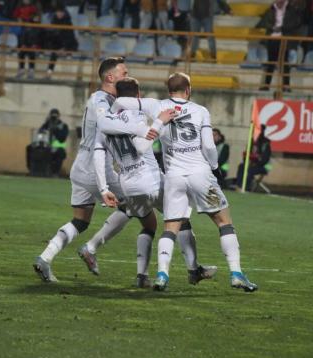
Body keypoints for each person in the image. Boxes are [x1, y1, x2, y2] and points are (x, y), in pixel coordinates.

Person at [117, 73, 258, 292]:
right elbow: (210, 147)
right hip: (200, 173)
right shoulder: (201, 111)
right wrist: (214, 167)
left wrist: (147, 112)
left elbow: (122, 102)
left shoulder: (158, 106)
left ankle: (162, 274)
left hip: (174, 177)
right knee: (224, 222)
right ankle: (236, 273)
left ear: (168, 89)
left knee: (170, 228)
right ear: (188, 89)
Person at [85, 77, 217, 288]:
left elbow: (99, 157)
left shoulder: (105, 122)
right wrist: (160, 121)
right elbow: (142, 146)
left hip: (128, 185)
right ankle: (192, 270)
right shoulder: (137, 116)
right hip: (151, 180)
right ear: (138, 95)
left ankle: (141, 276)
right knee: (181, 218)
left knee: (148, 224)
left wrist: (103, 188)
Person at [33, 57, 151, 283]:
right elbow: (109, 128)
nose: (127, 77)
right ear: (110, 77)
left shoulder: (110, 100)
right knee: (134, 205)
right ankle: (92, 248)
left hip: (81, 166)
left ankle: (45, 258)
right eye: (124, 73)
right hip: (96, 167)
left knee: (81, 220)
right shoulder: (101, 99)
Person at [256, 0, 304, 92]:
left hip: (285, 39)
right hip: (273, 39)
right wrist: (272, 27)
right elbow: (265, 22)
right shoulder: (271, 9)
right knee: (271, 63)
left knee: (285, 63)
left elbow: (295, 23)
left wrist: (281, 28)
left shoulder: (291, 9)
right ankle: (266, 85)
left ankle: (286, 86)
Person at [45, 5, 78, 78]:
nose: (59, 14)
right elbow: (51, 37)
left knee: (66, 51)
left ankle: (68, 54)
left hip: (68, 45)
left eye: (61, 12)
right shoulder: (53, 22)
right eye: (58, 12)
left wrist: (64, 48)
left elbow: (70, 38)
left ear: (64, 13)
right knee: (53, 54)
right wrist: (53, 48)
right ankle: (49, 72)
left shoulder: (68, 22)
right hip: (57, 45)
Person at [236, 124, 271, 191]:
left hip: (262, 166)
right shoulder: (251, 142)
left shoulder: (266, 144)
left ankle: (246, 188)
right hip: (250, 164)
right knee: (241, 166)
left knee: (250, 170)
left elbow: (265, 159)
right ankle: (238, 186)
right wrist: (246, 159)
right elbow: (246, 155)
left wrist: (256, 162)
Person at [38, 108, 69, 176]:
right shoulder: (46, 125)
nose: (54, 118)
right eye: (52, 116)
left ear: (58, 116)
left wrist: (55, 130)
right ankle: (42, 172)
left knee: (59, 154)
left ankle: (55, 173)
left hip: (58, 149)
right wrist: (46, 126)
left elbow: (62, 139)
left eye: (55, 116)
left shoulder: (63, 126)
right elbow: (40, 134)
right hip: (46, 148)